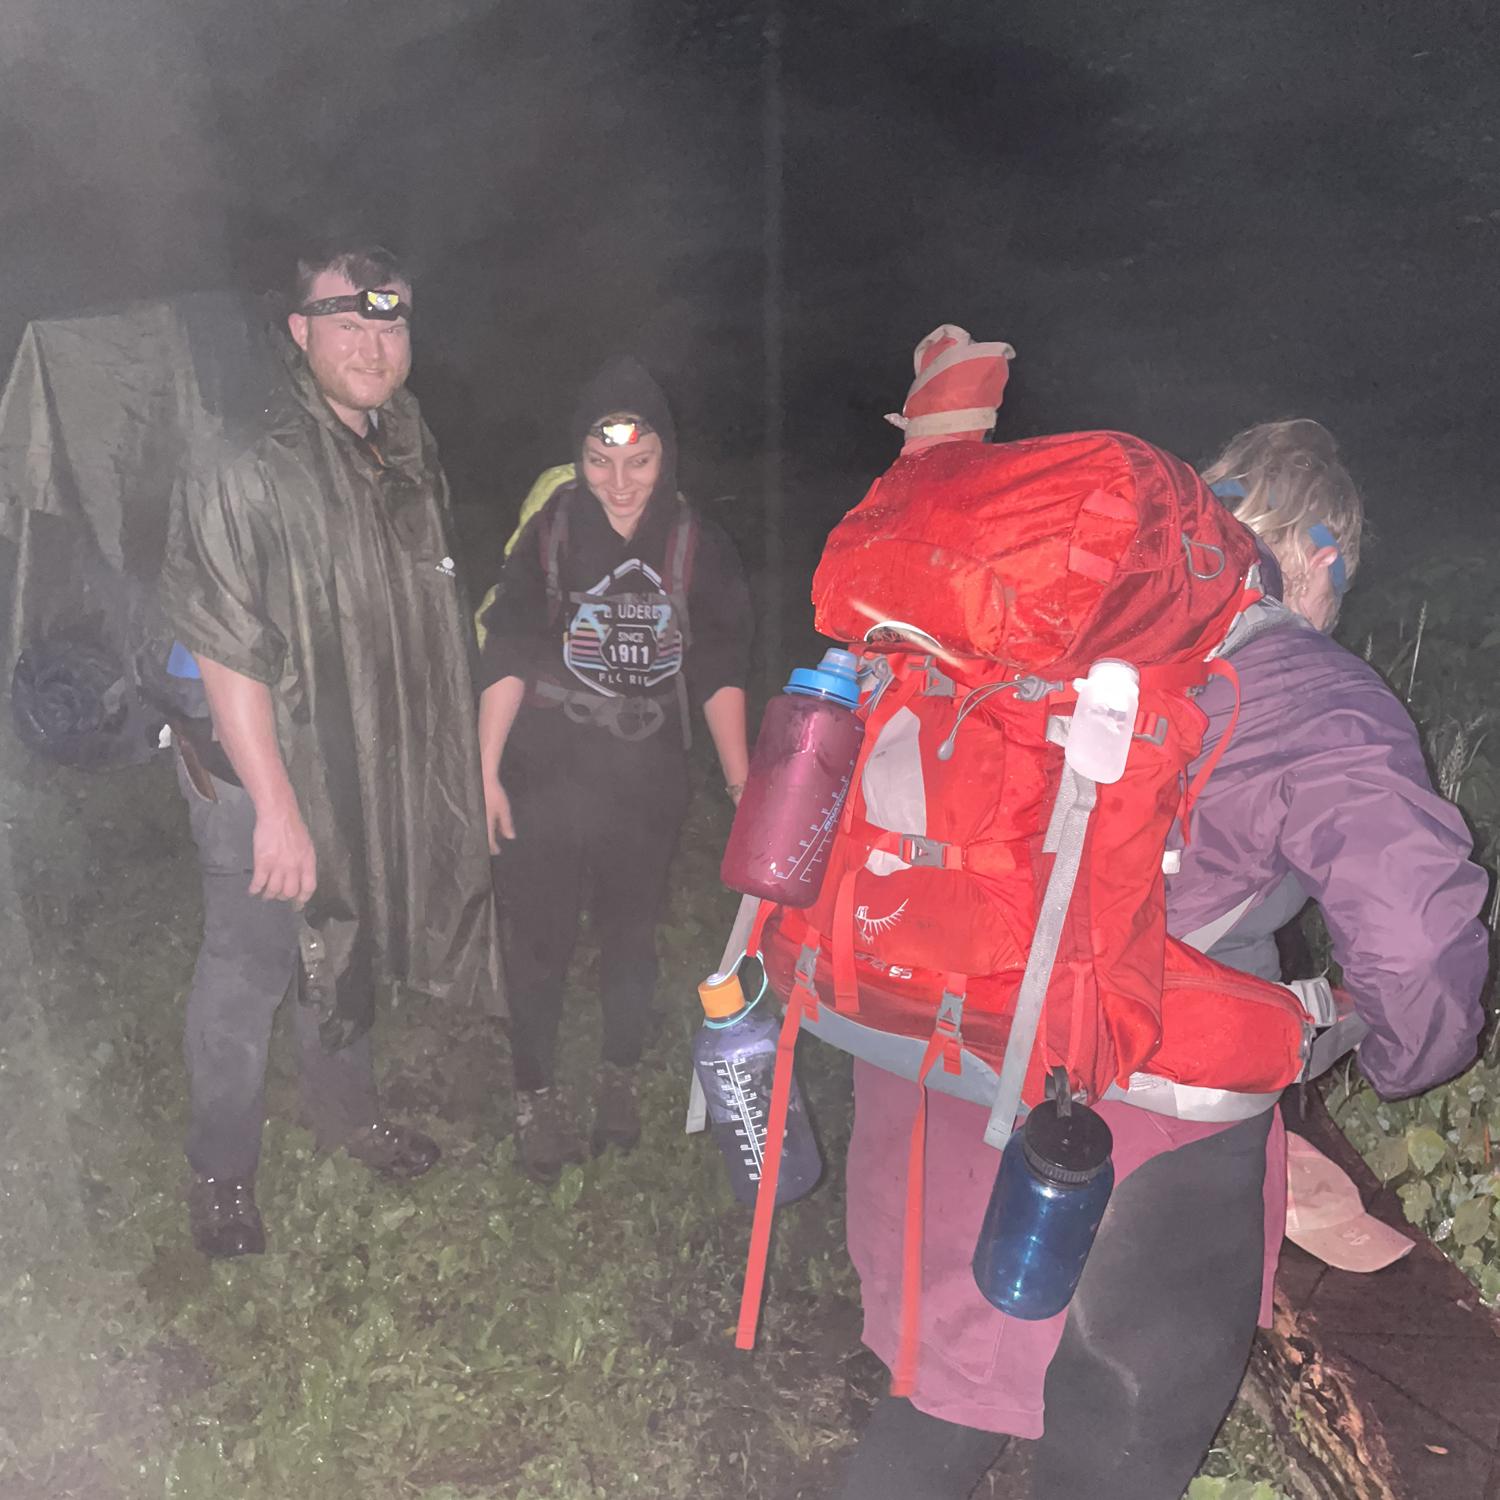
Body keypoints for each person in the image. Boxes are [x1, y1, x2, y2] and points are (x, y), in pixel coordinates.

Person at [833, 418, 1488, 1498]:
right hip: (1134, 1134)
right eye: (1342, 580)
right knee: (1114, 1450)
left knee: (936, 1404)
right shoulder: (1308, 686)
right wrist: (1405, 1057)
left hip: (932, 1078)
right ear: (1320, 552)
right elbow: (1415, 936)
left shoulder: (1045, 624)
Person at [158, 243, 503, 1258]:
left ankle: (347, 1114)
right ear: (300, 333)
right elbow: (229, 652)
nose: (371, 341)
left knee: (343, 937)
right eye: (345, 321)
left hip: (349, 753)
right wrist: (276, 806)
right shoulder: (245, 459)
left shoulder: (400, 446)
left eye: (389, 322)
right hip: (252, 764)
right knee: (252, 962)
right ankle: (221, 1171)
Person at [478, 356, 751, 1183]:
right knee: (540, 939)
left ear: (666, 456)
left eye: (639, 461)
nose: (620, 483)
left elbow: (720, 664)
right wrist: (485, 769)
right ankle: (534, 1093)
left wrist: (743, 785)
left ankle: (618, 1076)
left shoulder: (698, 542)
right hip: (546, 761)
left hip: (646, 775)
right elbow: (511, 644)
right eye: (601, 461)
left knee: (632, 936)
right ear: (579, 456)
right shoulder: (554, 528)